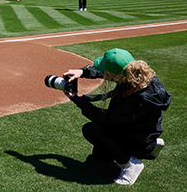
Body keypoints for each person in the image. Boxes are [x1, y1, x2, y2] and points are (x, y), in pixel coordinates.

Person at [63, 48, 171, 186]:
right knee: (99, 157)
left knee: (92, 130)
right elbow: (106, 73)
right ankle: (151, 145)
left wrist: (78, 100)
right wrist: (83, 72)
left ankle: (131, 165)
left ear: (115, 74)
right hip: (142, 130)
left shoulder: (138, 101)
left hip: (138, 138)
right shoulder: (137, 76)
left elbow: (107, 120)